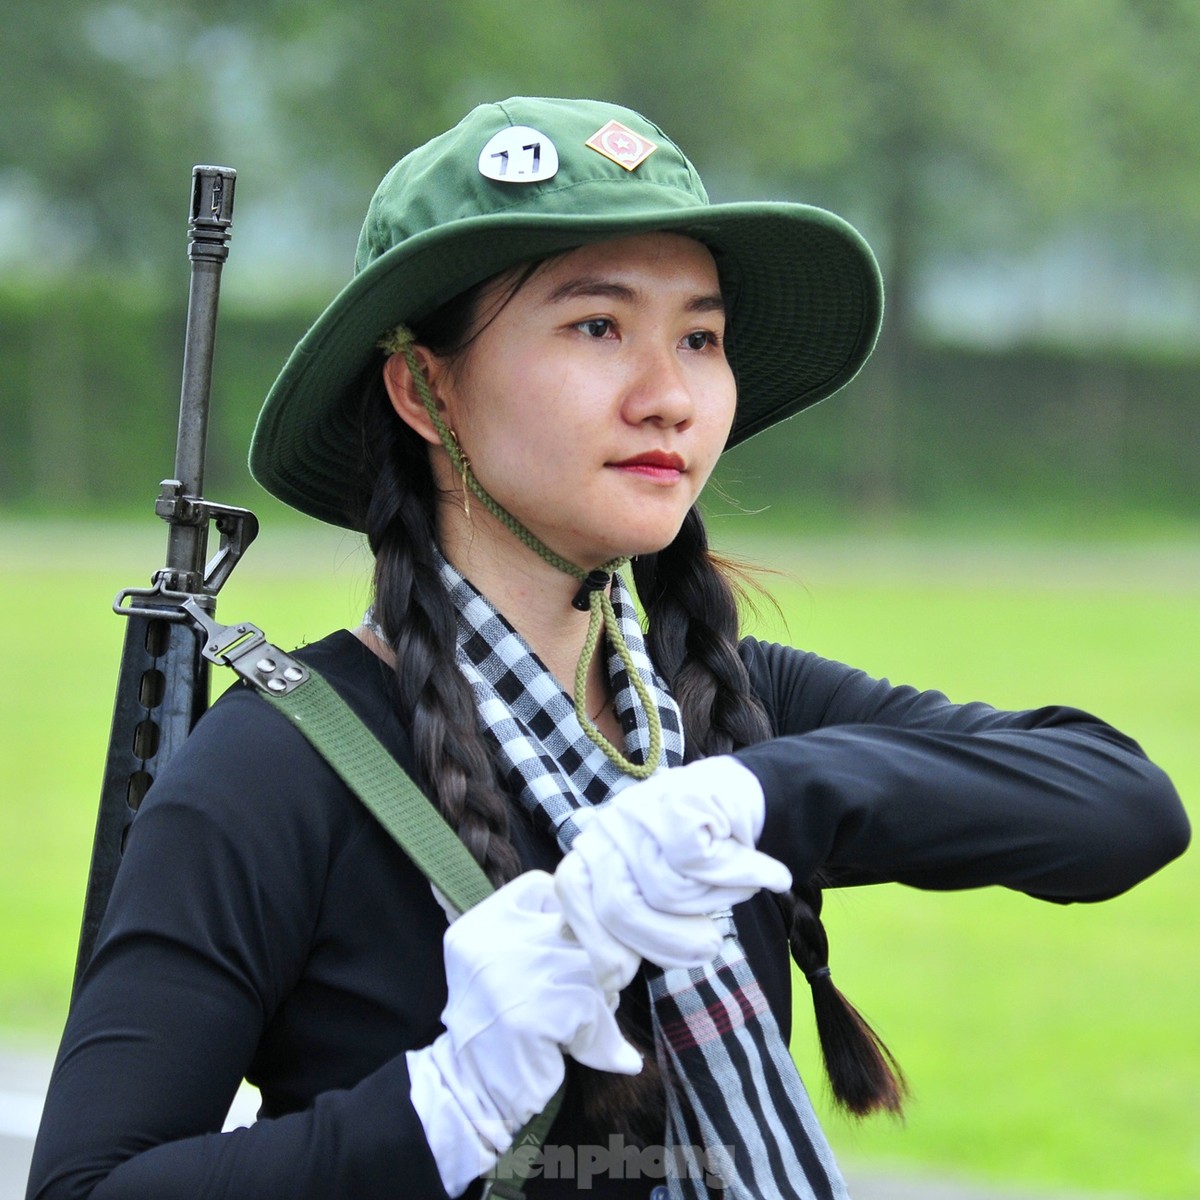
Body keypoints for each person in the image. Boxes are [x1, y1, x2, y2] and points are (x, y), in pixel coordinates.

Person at [28, 96, 1188, 1200]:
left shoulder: (722, 708)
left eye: (701, 336)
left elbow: (1122, 803)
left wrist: (751, 791)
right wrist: (440, 1110)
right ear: (423, 390)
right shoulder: (272, 775)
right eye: (597, 325)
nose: (670, 396)